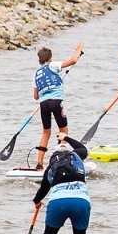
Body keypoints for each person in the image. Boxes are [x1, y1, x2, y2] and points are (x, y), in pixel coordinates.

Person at [31, 133, 92, 234]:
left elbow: (43, 190)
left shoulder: (51, 167)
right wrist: (66, 137)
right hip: (81, 202)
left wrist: (37, 202)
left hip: (59, 202)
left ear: (54, 155)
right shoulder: (77, 156)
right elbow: (82, 148)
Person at [33, 41, 83, 170]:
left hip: (43, 104)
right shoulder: (53, 65)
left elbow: (36, 96)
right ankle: (60, 160)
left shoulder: (36, 73)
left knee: (46, 133)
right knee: (63, 131)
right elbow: (73, 61)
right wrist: (78, 50)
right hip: (56, 102)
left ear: (39, 60)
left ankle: (39, 164)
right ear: (50, 58)